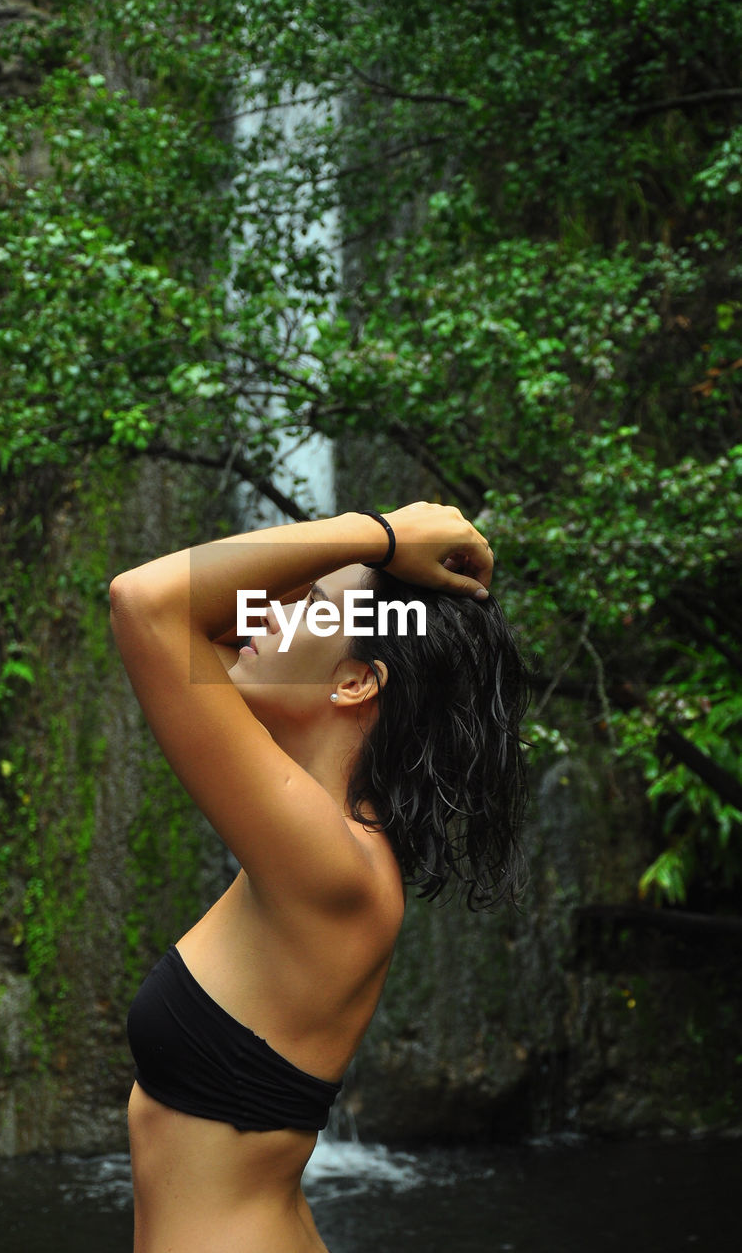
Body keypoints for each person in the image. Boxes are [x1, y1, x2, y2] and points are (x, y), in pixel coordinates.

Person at [109, 501, 528, 1253]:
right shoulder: (330, 846)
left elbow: (147, 602)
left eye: (310, 602)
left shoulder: (332, 861)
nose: (266, 609)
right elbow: (195, 617)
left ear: (356, 683)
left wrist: (385, 534)